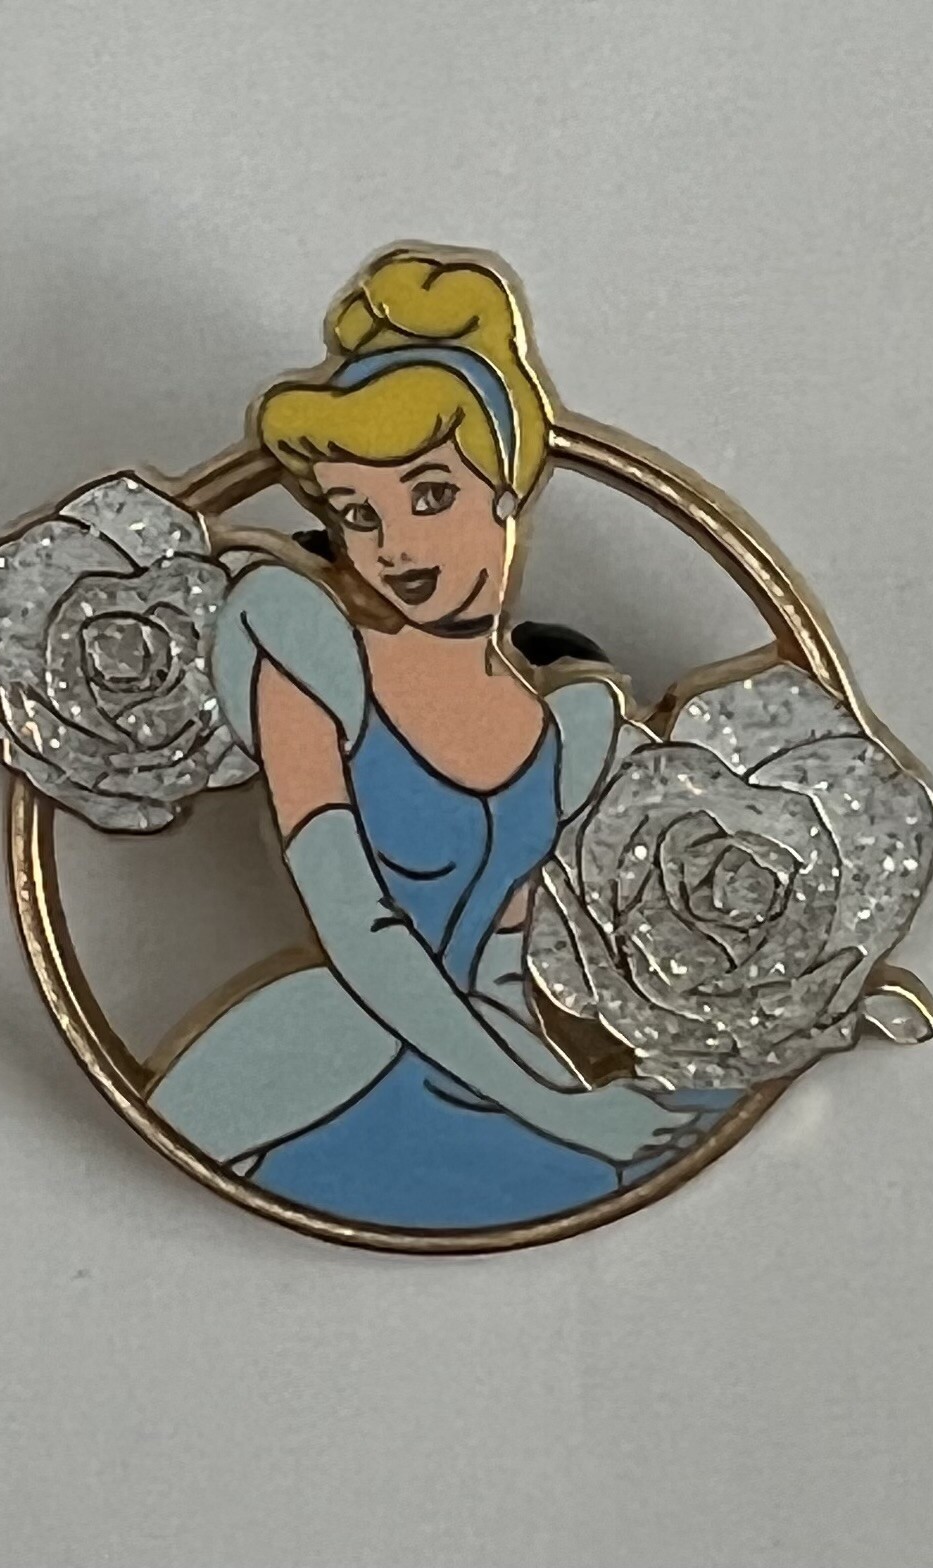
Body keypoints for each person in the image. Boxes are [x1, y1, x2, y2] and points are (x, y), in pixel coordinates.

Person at [148, 248, 735, 1230]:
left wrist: (820, 1006)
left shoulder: (572, 728)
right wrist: (559, 1111)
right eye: (357, 512)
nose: (398, 547)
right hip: (328, 1068)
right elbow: (360, 929)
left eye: (430, 495)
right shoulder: (308, 649)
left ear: (507, 490)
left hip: (506, 1063)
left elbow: (522, 959)